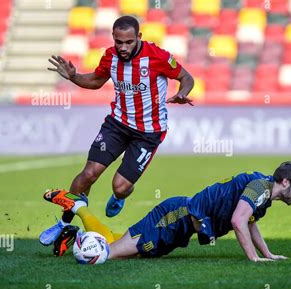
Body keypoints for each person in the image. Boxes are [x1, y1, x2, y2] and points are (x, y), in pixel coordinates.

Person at [40, 15, 195, 246]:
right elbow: (95, 81)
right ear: (113, 38)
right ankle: (64, 224)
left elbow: (186, 77)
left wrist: (183, 92)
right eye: (119, 42)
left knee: (120, 187)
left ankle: (120, 196)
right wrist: (73, 76)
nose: (123, 48)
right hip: (118, 124)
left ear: (139, 38)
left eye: (129, 42)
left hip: (148, 133)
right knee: (88, 175)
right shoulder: (110, 56)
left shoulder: (157, 56)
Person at [44, 161, 291, 262]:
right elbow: (238, 220)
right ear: (286, 182)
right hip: (176, 217)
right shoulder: (259, 187)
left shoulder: (263, 193)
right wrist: (253, 259)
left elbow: (250, 222)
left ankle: (76, 225)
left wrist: (268, 253)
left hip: (180, 226)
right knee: (109, 255)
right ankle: (79, 213)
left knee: (117, 244)